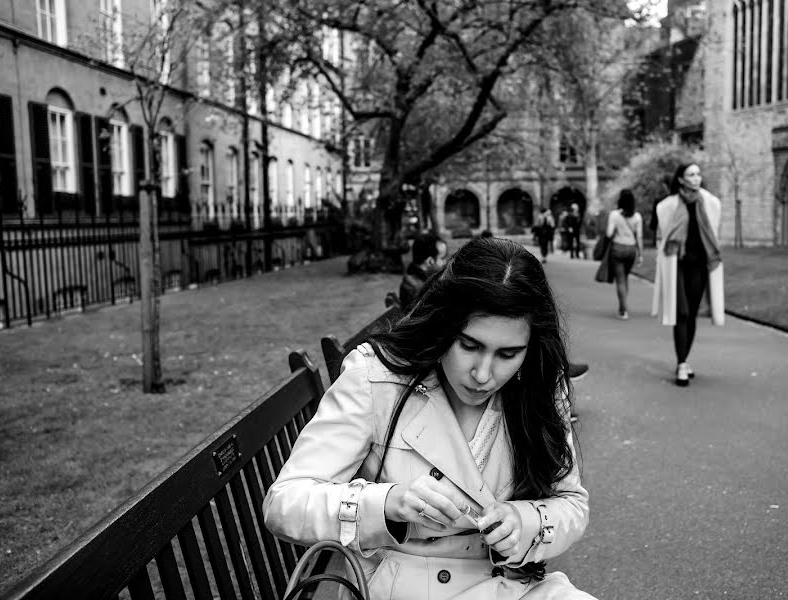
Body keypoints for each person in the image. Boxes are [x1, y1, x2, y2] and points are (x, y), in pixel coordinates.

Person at [263, 237, 596, 600]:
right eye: (469, 346)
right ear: (443, 325)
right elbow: (284, 503)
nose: (483, 374)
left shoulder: (539, 386)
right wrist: (388, 504)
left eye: (508, 353)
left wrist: (526, 522)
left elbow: (571, 503)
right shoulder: (376, 379)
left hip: (511, 584)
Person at [652, 163, 725, 387]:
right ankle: (682, 363)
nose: (696, 178)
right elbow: (662, 235)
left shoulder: (711, 203)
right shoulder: (668, 206)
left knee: (691, 313)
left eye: (698, 174)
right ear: (681, 179)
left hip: (701, 264)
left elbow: (714, 233)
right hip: (678, 263)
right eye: (691, 174)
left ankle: (684, 358)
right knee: (681, 312)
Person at [606, 189, 643, 320]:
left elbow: (609, 234)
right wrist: (641, 254)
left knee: (620, 280)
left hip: (618, 248)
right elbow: (639, 237)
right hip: (631, 249)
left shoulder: (614, 215)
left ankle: (623, 309)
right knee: (625, 278)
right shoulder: (637, 217)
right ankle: (624, 305)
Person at [399, 232, 448, 310]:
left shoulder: (426, 277)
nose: (445, 262)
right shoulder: (416, 289)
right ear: (430, 261)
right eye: (442, 258)